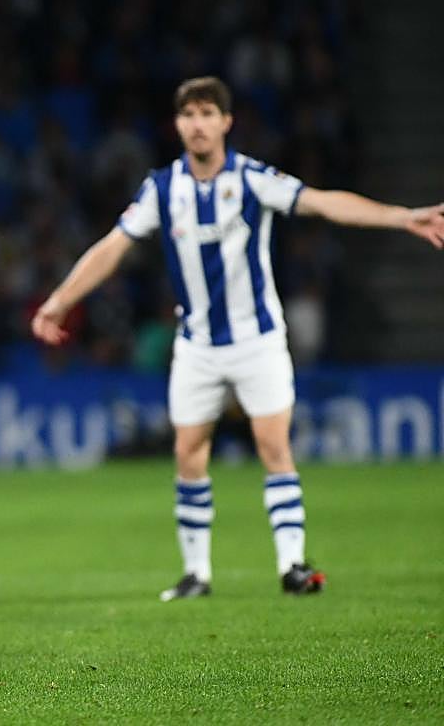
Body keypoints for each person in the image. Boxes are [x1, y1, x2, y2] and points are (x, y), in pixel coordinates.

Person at [30, 76, 444, 601]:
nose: (197, 124)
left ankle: (293, 565)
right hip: (198, 346)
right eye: (187, 115)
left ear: (226, 122)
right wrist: (61, 299)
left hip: (258, 340)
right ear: (177, 125)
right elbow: (113, 247)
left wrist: (401, 217)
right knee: (188, 453)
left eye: (207, 113)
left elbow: (322, 203)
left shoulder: (253, 178)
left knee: (274, 445)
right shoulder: (163, 188)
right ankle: (196, 574)